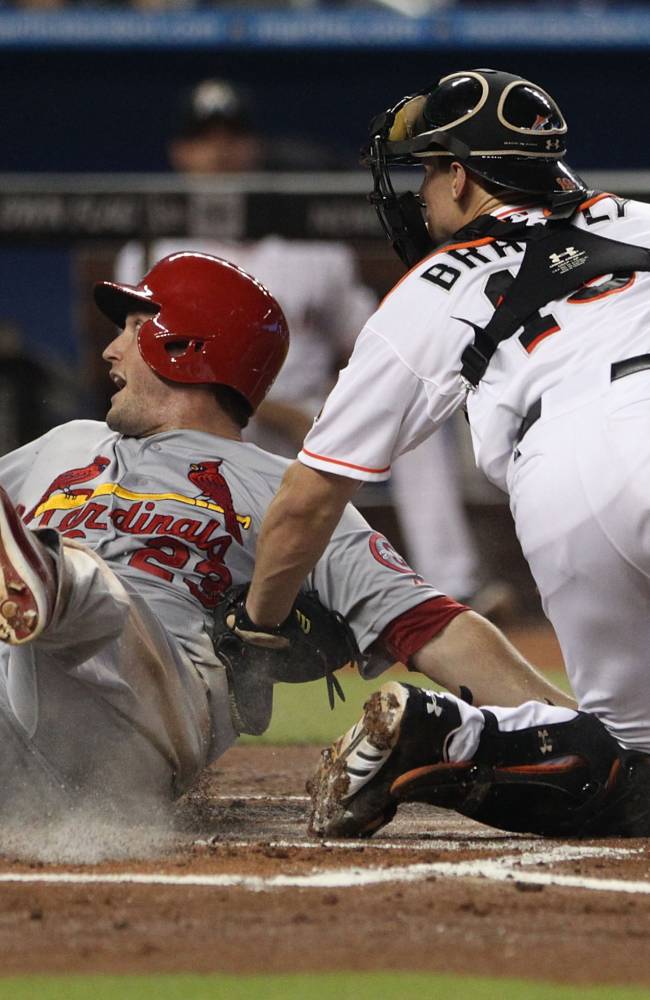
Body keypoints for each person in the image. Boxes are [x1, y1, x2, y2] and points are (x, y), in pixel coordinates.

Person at [0, 249, 570, 828]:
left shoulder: (294, 496)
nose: (109, 351)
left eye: (134, 328)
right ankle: (40, 581)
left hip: (144, 709)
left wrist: (579, 730)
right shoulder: (66, 443)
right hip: (14, 692)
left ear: (185, 346)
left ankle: (50, 579)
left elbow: (435, 626)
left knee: (88, 586)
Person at [236, 68, 650, 837]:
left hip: (577, 473)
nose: (423, 191)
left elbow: (308, 499)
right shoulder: (640, 216)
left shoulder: (438, 283)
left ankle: (453, 736)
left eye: (429, 170)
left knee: (629, 774)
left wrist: (259, 621)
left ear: (461, 177)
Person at [116, 77, 504, 612]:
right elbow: (152, 373)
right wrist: (276, 412)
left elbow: (373, 341)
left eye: (232, 135)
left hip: (312, 417)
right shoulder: (156, 249)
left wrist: (341, 407)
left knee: (414, 429)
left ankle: (455, 586)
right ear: (179, 152)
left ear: (254, 146)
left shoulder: (308, 246)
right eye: (204, 137)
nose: (220, 151)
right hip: (216, 419)